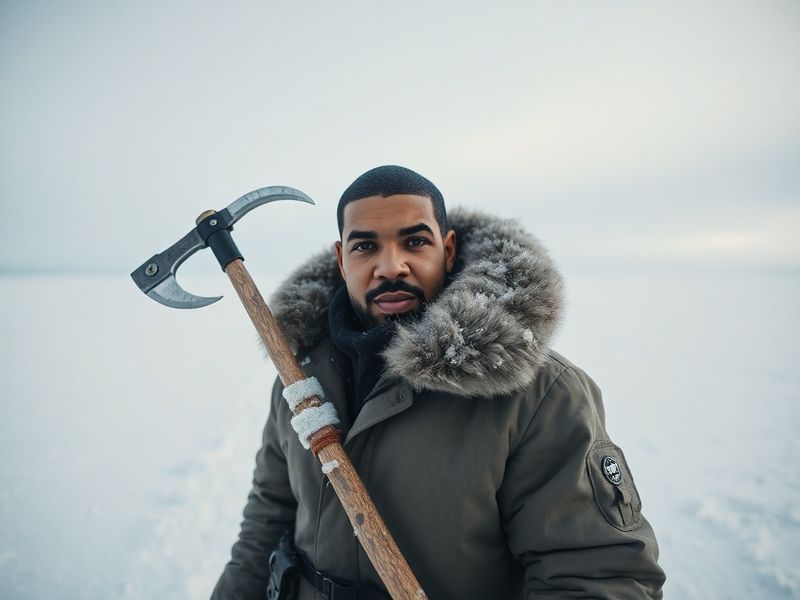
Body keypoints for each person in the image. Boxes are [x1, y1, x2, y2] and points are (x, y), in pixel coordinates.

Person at [211, 165, 666, 599]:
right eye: (365, 247)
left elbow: (598, 576)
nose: (391, 267)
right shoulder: (300, 375)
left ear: (447, 250)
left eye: (414, 241)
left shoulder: (537, 394)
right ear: (341, 259)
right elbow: (268, 516)